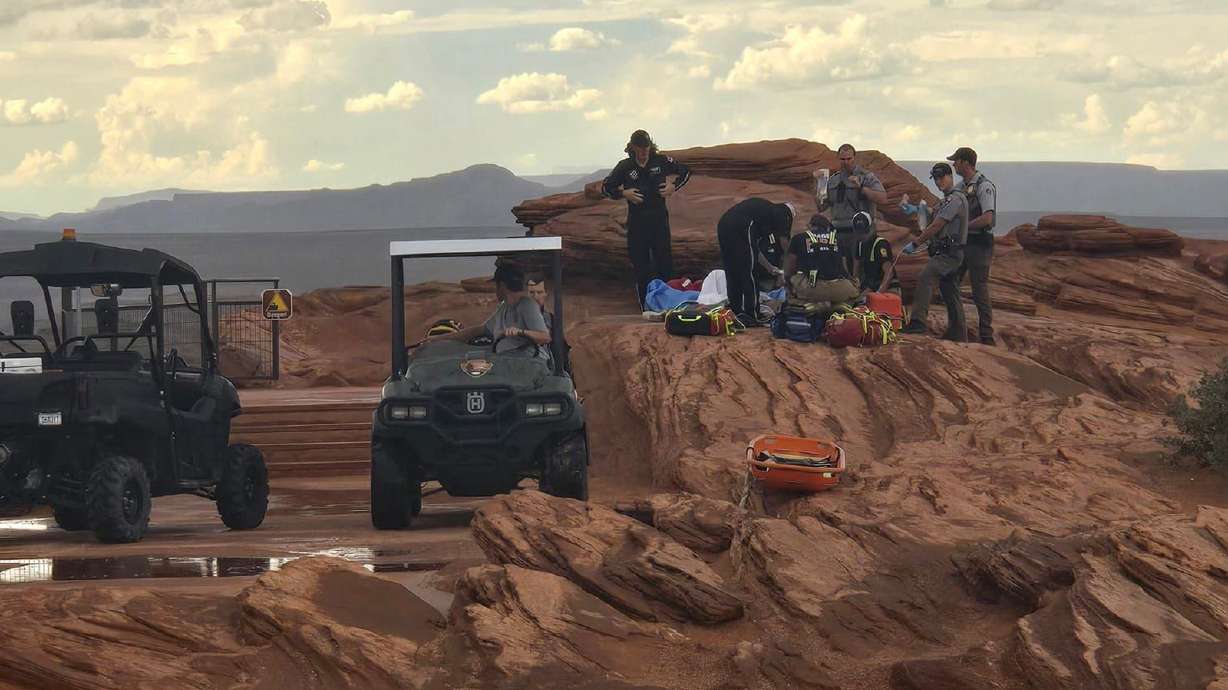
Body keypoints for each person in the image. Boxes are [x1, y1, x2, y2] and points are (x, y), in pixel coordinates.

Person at [601, 130, 692, 309]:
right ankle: (646, 306)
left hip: (659, 220)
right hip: (637, 222)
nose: (644, 151)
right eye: (640, 147)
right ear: (633, 147)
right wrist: (624, 193)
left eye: (646, 146)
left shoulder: (661, 161)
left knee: (665, 263)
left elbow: (686, 172)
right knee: (641, 266)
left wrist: (673, 186)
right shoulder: (625, 166)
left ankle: (668, 306)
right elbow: (606, 187)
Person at [900, 163, 968, 341]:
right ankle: (959, 332)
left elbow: (938, 224)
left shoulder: (955, 199)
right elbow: (933, 214)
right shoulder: (946, 200)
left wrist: (916, 243)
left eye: (941, 177)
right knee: (950, 291)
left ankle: (918, 322)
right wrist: (915, 209)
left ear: (950, 176)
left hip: (950, 253)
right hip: (948, 252)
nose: (938, 182)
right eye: (936, 178)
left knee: (926, 277)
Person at [433, 264, 550, 359]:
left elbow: (544, 337)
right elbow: (480, 330)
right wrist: (437, 339)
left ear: (501, 285)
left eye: (496, 285)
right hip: (506, 361)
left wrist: (520, 332)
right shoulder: (504, 308)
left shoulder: (527, 305)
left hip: (527, 363)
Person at [716, 197, 794, 324]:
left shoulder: (763, 216)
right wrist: (790, 267)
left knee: (732, 269)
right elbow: (785, 242)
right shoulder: (783, 212)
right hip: (741, 224)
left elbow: (753, 250)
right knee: (750, 271)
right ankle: (752, 313)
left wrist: (770, 268)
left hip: (723, 224)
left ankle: (736, 310)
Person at [948, 147, 997, 345]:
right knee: (950, 282)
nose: (953, 164)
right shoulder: (960, 187)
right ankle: (956, 329)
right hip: (963, 243)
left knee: (979, 289)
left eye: (956, 161)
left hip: (979, 243)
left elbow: (988, 218)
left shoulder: (984, 186)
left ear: (966, 162)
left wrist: (964, 226)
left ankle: (986, 335)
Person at [817, 143, 888, 276]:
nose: (846, 162)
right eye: (842, 159)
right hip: (837, 232)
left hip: (860, 232)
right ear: (838, 159)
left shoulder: (866, 177)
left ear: (854, 158)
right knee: (839, 270)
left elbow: (883, 198)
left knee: (860, 271)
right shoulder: (833, 180)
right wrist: (817, 185)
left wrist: (861, 188)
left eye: (849, 159)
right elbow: (821, 207)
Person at [782, 214, 860, 305]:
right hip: (840, 290)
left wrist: (789, 286)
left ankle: (808, 304)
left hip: (811, 290)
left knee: (794, 279)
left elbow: (789, 270)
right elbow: (844, 270)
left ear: (810, 226)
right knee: (854, 287)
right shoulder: (838, 239)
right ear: (827, 228)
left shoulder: (798, 238)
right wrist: (852, 282)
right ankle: (837, 304)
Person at [855, 211, 901, 294]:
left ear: (871, 227)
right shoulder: (859, 244)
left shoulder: (881, 244)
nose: (863, 235)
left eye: (865, 231)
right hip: (870, 285)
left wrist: (878, 293)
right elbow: (856, 272)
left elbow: (889, 273)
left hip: (887, 286)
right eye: (860, 233)